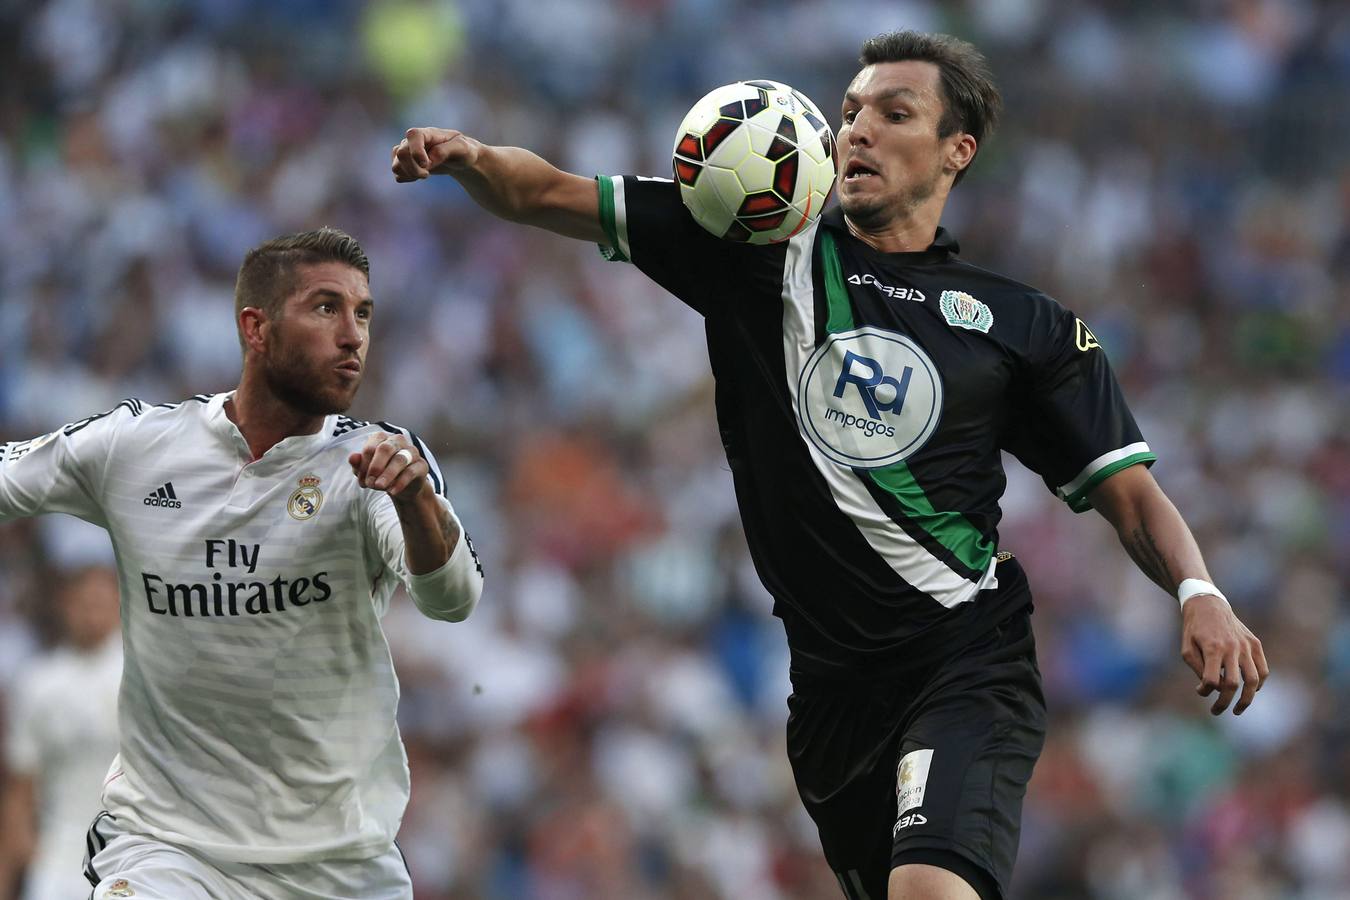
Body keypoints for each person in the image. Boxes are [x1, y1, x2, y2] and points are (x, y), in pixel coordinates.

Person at [391, 29, 1267, 900]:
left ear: (956, 150)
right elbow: (545, 191)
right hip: (830, 696)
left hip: (965, 658)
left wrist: (1201, 594)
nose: (859, 130)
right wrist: (469, 156)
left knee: (930, 892)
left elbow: (1130, 495)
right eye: (849, 112)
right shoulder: (754, 249)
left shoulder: (1022, 326)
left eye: (895, 112)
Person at [0, 227, 483, 900]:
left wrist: (412, 500)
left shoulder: (380, 462)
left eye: (363, 314)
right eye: (325, 308)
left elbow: (452, 598)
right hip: (171, 848)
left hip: (337, 864)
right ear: (255, 328)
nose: (353, 336)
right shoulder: (135, 448)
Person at [0, 566, 121, 900]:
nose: (92, 612)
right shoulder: (38, 682)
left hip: (128, 846)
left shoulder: (138, 677)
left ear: (119, 605)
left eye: (102, 601)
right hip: (59, 850)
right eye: (84, 602)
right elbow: (22, 782)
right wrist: (20, 855)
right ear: (65, 605)